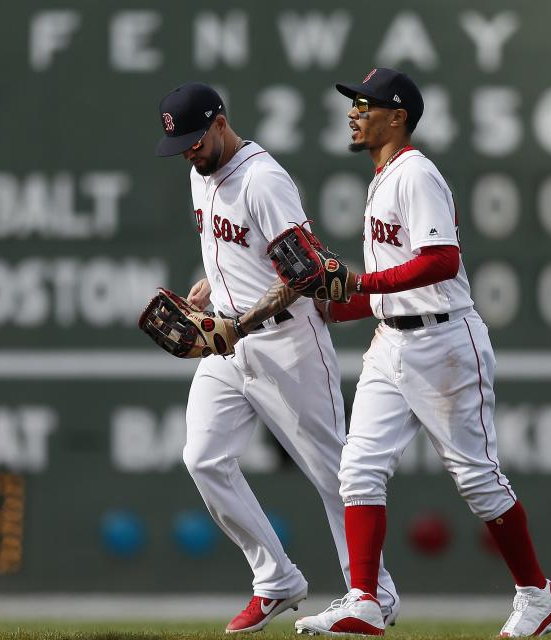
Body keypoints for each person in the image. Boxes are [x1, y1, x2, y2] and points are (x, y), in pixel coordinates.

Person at [287, 69, 551, 637]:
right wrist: (329, 303)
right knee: (359, 469)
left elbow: (440, 261)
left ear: (398, 116)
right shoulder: (383, 178)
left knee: (477, 479)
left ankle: (538, 595)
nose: (354, 113)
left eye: (365, 105)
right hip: (392, 342)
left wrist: (360, 283)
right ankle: (364, 599)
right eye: (354, 104)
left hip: (445, 342)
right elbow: (391, 287)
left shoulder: (416, 174)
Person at [154, 82, 399, 634]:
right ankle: (276, 580)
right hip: (228, 340)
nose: (190, 151)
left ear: (220, 123)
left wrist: (236, 322)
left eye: (196, 139)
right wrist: (210, 284)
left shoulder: (263, 180)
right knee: (203, 456)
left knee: (334, 471)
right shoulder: (200, 175)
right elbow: (243, 251)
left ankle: (374, 594)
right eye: (181, 144)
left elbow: (304, 273)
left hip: (287, 342)